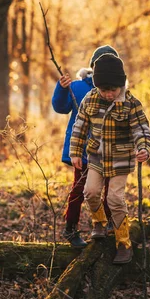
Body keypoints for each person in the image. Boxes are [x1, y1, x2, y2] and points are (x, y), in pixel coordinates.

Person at [70, 53, 150, 264]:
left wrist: (143, 148)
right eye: (103, 90)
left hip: (121, 159)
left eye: (112, 90)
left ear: (121, 84)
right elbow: (80, 127)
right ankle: (99, 222)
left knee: (114, 198)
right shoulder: (91, 99)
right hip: (96, 157)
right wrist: (75, 152)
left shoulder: (130, 103)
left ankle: (123, 242)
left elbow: (141, 129)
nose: (107, 94)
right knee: (90, 192)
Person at [52, 45, 119, 248]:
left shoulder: (117, 90)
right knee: (80, 189)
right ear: (93, 67)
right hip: (83, 151)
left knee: (110, 190)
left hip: (108, 150)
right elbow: (60, 107)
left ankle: (107, 226)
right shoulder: (79, 87)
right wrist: (62, 88)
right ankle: (70, 228)